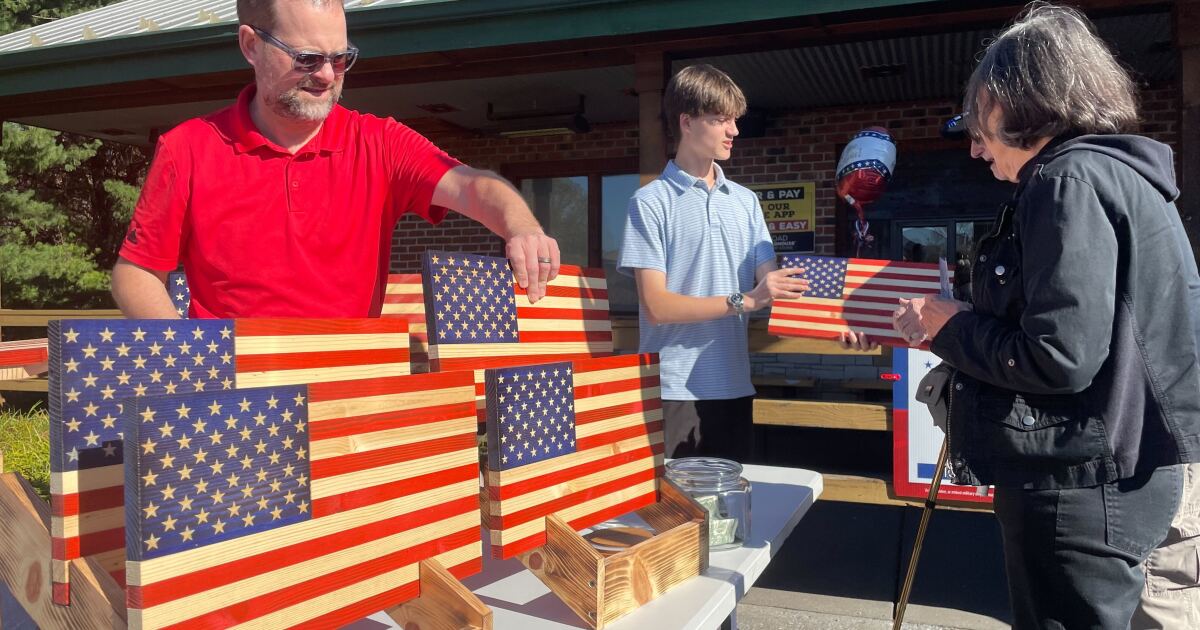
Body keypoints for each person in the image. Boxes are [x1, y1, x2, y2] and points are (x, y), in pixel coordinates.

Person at [891, 5, 1200, 627]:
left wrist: (946, 323)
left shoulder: (1066, 181)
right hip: (1135, 470)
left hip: (1080, 481)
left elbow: (1057, 356)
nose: (976, 150)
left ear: (1010, 105)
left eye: (978, 126)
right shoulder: (1125, 176)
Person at [112, 0, 559, 319]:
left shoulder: (379, 142)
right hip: (237, 401)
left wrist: (521, 227)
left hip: (348, 396)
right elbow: (136, 273)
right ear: (251, 46)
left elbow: (472, 185)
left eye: (341, 58)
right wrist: (191, 361)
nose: (327, 75)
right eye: (306, 58)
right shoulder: (189, 147)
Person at [617, 64, 808, 462]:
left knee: (732, 518)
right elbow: (657, 306)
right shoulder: (650, 202)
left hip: (735, 388)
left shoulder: (746, 201)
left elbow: (770, 284)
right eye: (720, 119)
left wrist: (840, 318)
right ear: (686, 122)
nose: (733, 131)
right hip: (673, 391)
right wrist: (746, 301)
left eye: (734, 120)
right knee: (674, 518)